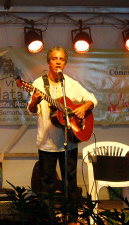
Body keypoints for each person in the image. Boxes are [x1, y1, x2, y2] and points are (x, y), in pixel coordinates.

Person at [27, 46, 98, 201]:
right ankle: (49, 218)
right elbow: (31, 110)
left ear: (65, 64)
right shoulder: (38, 84)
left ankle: (72, 218)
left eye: (61, 59)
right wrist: (33, 101)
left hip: (70, 141)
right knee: (47, 184)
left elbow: (92, 99)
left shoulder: (71, 84)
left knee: (70, 183)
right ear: (48, 62)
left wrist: (83, 108)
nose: (58, 62)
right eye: (54, 58)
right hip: (47, 143)